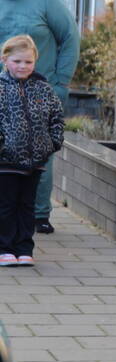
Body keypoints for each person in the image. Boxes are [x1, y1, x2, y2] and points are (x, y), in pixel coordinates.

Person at [0, 0, 79, 235]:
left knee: (39, 153)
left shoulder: (46, 0)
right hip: (3, 93)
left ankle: (38, 213)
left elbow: (70, 38)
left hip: (40, 93)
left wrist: (60, 82)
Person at [0, 35, 65, 267]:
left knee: (28, 204)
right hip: (5, 161)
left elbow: (56, 117)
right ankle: (5, 248)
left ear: (35, 62)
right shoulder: (1, 88)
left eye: (28, 62)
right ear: (4, 59)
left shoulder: (43, 89)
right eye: (17, 61)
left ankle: (24, 248)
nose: (23, 66)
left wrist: (52, 143)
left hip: (35, 160)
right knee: (6, 205)